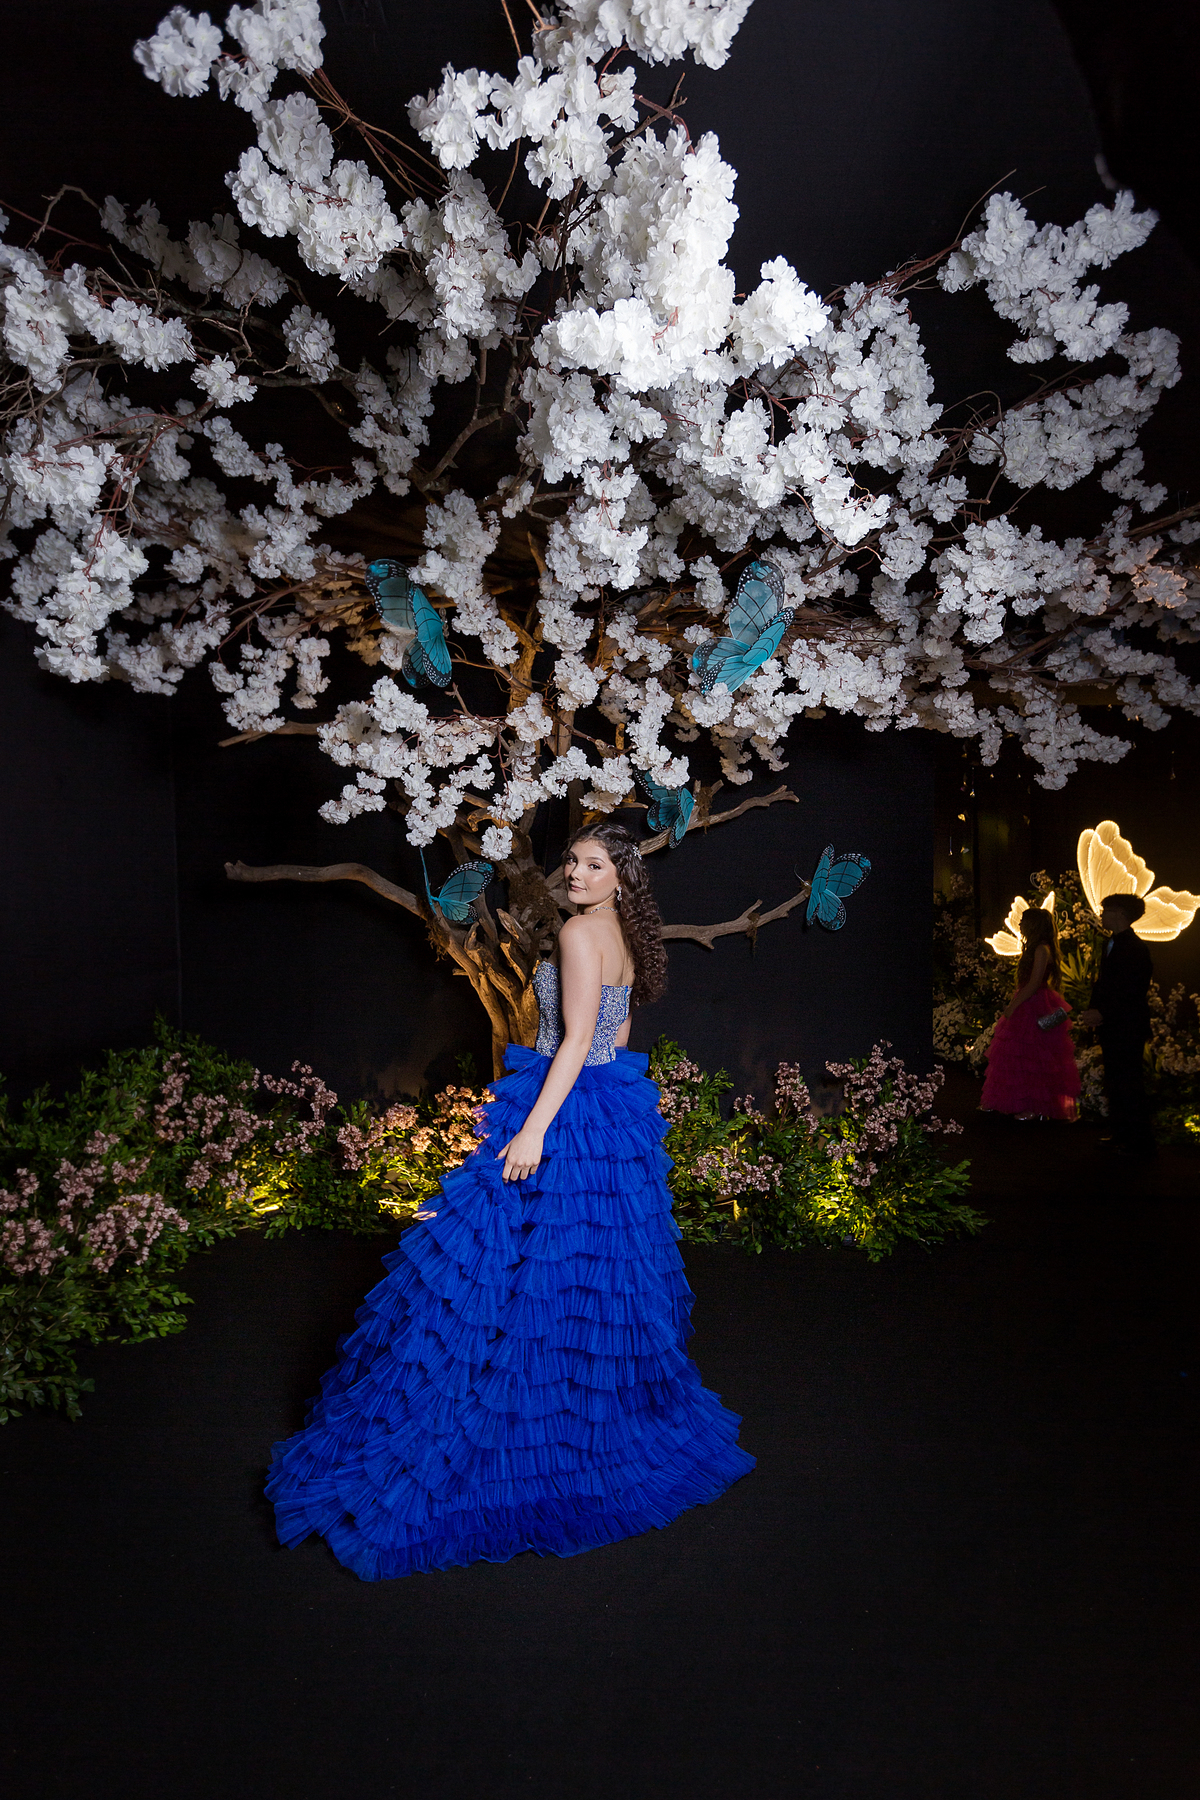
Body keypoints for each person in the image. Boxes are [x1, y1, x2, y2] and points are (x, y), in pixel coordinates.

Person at [265, 821, 755, 1578]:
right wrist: (596, 1113)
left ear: (622, 878)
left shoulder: (581, 934)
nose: (577, 872)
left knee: (502, 1255)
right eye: (574, 860)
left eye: (594, 865)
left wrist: (534, 1130)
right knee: (583, 1266)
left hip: (560, 1103)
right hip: (607, 1106)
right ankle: (579, 1406)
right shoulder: (624, 935)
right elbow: (618, 1037)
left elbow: (574, 1039)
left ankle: (500, 1409)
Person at [980, 905, 1081, 1121]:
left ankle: (1036, 1107)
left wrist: (1013, 1006)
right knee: (1018, 1055)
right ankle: (1009, 1101)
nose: (1020, 924)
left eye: (1023, 921)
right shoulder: (1038, 948)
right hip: (1029, 1000)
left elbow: (1034, 983)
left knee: (1033, 1056)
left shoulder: (1041, 949)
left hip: (1033, 1003)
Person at [1077, 893, 1155, 1157]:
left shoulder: (1134, 948)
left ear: (1120, 914)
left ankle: (1139, 1142)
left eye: (1106, 911)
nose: (1101, 916)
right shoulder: (1112, 943)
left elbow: (1130, 991)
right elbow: (1104, 984)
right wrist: (1094, 1010)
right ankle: (1122, 1133)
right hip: (1113, 1024)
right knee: (1115, 1081)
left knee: (1129, 1082)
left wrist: (1102, 1012)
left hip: (1127, 1026)